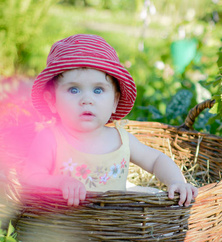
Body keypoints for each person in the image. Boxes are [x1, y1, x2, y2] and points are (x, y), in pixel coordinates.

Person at [22, 34, 198, 207]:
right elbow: (30, 177)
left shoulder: (121, 139)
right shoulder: (51, 138)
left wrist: (176, 181)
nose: (87, 99)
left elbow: (156, 160)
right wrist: (60, 182)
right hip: (65, 228)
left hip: (115, 230)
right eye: (74, 90)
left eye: (98, 90)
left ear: (114, 101)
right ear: (52, 100)